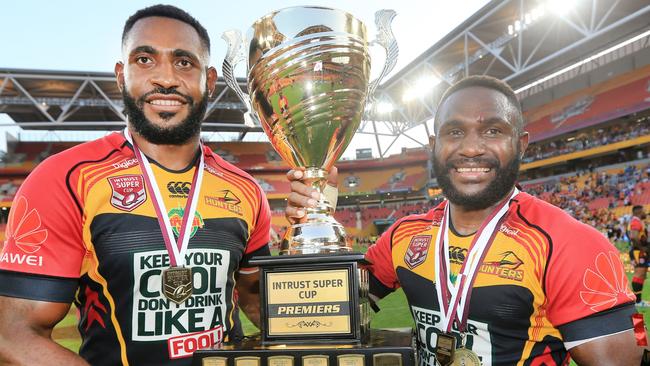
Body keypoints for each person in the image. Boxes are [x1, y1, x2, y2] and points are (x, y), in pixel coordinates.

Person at [286, 75, 645, 365]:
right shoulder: (404, 236)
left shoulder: (566, 243)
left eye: (492, 130)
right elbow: (327, 305)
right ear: (433, 144)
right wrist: (316, 216)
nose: (471, 148)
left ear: (521, 144)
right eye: (454, 132)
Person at [0, 5, 270, 366]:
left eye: (184, 62)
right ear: (120, 75)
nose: (166, 78)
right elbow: (12, 332)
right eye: (144, 59)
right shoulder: (65, 178)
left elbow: (254, 296)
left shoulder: (245, 189)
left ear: (210, 80)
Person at [629, 205, 649, 305]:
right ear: (639, 212)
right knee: (639, 273)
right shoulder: (636, 221)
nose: (645, 212)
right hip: (638, 251)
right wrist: (642, 248)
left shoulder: (638, 221)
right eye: (644, 211)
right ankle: (637, 301)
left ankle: (639, 300)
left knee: (642, 274)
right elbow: (633, 236)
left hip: (639, 251)